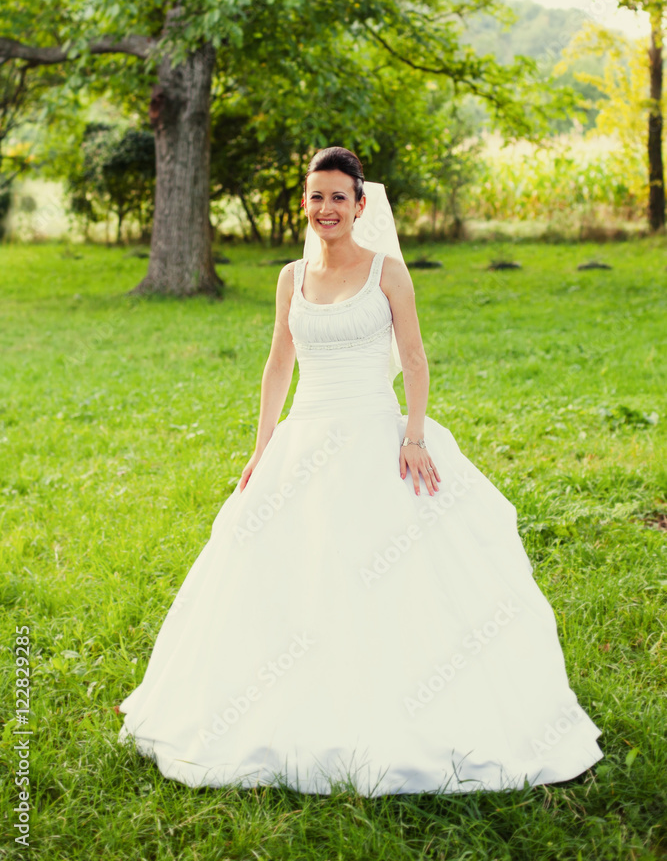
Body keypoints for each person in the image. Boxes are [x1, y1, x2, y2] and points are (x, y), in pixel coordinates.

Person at [117, 146, 603, 796]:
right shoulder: (290, 277)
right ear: (304, 204)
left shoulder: (388, 272)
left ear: (359, 205)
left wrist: (414, 435)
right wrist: (262, 448)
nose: (326, 208)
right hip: (305, 435)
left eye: (338, 197)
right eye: (316, 197)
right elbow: (276, 366)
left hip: (376, 433)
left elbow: (415, 358)